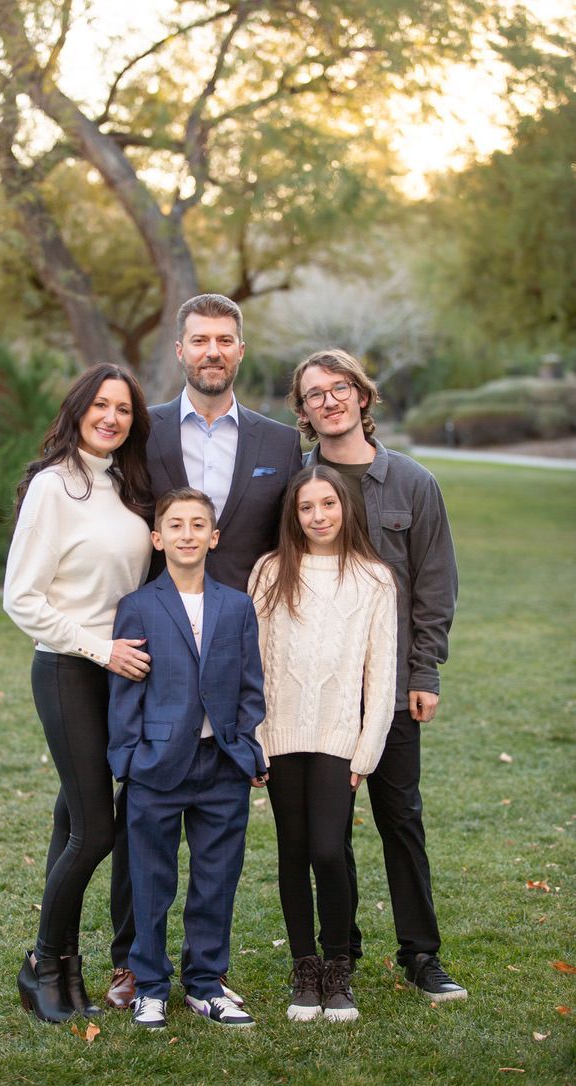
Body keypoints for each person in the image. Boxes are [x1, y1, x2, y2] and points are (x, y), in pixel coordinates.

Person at [106, 292, 302, 1009]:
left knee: (217, 857)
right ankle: (135, 965)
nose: (212, 351)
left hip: (236, 641)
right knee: (142, 842)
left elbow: (293, 539)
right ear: (181, 350)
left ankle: (205, 974)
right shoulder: (144, 431)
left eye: (225, 339)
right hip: (154, 646)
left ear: (239, 351)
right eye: (199, 340)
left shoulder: (280, 444)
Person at [289, 348, 467, 1002]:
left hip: (390, 692)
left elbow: (435, 587)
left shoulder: (414, 484)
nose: (330, 400)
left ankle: (421, 955)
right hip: (319, 696)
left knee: (401, 820)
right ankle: (342, 955)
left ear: (363, 397)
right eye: (315, 393)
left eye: (341, 388)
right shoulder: (295, 485)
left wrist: (426, 671)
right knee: (326, 835)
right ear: (304, 412)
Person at [3, 363, 154, 1023]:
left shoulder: (126, 485)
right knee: (97, 830)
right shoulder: (53, 487)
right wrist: (101, 650)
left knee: (72, 821)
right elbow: (22, 599)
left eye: (123, 408)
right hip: (69, 669)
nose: (112, 417)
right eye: (100, 405)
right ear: (77, 409)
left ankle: (65, 965)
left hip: (116, 676)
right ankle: (41, 960)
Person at [107, 488, 268, 1030]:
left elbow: (250, 686)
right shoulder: (138, 606)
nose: (187, 534)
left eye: (199, 525)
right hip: (156, 766)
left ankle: (205, 983)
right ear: (158, 538)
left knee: (216, 877)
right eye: (175, 525)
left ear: (214, 537)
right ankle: (150, 983)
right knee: (151, 880)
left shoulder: (237, 605)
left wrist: (246, 747)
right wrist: (127, 760)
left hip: (221, 764)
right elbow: (125, 692)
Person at [249, 465, 397, 1021]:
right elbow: (254, 662)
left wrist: (368, 747)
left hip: (340, 735)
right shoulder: (269, 573)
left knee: (328, 851)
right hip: (280, 733)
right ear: (294, 514)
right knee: (292, 851)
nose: (318, 516)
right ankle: (304, 966)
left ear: (346, 508)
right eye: (307, 507)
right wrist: (256, 738)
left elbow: (380, 674)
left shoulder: (374, 578)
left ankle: (339, 966)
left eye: (328, 505)